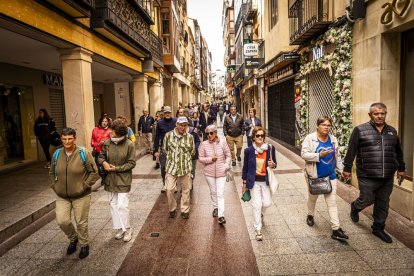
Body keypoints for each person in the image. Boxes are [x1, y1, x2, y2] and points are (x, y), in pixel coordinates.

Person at [342, 103, 406, 243]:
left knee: (383, 203)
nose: (380, 116)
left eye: (382, 113)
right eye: (376, 113)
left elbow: (398, 152)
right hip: (367, 173)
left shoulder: (392, 131)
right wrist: (347, 169)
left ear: (385, 114)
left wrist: (401, 168)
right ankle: (355, 206)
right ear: (370, 115)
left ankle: (378, 228)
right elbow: (351, 150)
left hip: (387, 175)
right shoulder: (360, 130)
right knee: (367, 199)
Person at [50, 128, 99, 259]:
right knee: (62, 221)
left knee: (81, 222)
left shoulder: (83, 153)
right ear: (61, 139)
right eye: (64, 139)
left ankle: (84, 244)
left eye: (70, 138)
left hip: (81, 195)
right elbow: (52, 172)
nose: (67, 141)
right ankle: (73, 238)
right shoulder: (56, 154)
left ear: (74, 138)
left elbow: (94, 172)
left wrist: (84, 186)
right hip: (62, 195)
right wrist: (55, 186)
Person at [301, 116, 349, 241]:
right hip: (315, 176)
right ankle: (310, 215)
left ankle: (336, 229)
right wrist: (319, 155)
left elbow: (337, 156)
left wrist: (341, 170)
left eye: (329, 125)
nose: (327, 127)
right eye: (324, 125)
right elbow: (304, 154)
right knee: (313, 197)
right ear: (317, 126)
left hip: (330, 176)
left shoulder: (333, 139)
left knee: (332, 203)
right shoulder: (310, 138)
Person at [99, 119, 136, 242]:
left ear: (118, 132)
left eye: (112, 130)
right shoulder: (107, 143)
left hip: (123, 179)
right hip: (110, 179)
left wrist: (117, 168)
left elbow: (131, 163)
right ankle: (120, 228)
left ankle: (128, 228)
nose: (110, 131)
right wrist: (104, 163)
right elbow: (101, 157)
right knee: (114, 205)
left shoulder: (129, 144)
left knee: (122, 205)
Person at [242, 126, 276, 241]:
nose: (260, 137)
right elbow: (245, 167)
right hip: (254, 181)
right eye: (258, 135)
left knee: (266, 203)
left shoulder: (270, 149)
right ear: (253, 137)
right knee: (256, 204)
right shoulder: (248, 151)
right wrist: (244, 183)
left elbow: (275, 164)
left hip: (265, 181)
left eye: (262, 135)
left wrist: (273, 165)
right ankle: (258, 229)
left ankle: (261, 214)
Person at [199, 125, 231, 224]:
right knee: (213, 192)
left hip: (221, 172)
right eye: (207, 133)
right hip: (209, 173)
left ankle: (221, 216)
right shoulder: (204, 144)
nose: (209, 135)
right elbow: (200, 158)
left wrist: (226, 166)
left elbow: (228, 155)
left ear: (216, 133)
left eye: (211, 133)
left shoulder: (223, 142)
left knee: (220, 194)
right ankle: (215, 207)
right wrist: (210, 159)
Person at [163, 116, 195, 219]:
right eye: (181, 125)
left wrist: (186, 159)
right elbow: (165, 149)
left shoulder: (190, 137)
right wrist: (172, 158)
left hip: (185, 167)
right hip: (171, 167)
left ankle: (185, 210)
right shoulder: (168, 136)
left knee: (186, 190)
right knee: (169, 189)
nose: (183, 127)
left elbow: (192, 151)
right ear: (176, 125)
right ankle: (172, 208)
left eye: (185, 125)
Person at [154, 106, 177, 192]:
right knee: (163, 167)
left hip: (175, 148)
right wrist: (156, 150)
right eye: (166, 113)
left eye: (169, 113)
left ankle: (174, 184)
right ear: (163, 114)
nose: (167, 114)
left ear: (171, 113)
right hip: (163, 149)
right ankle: (164, 184)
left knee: (174, 167)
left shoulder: (175, 121)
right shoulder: (160, 123)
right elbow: (156, 137)